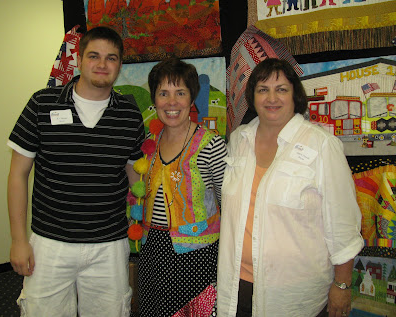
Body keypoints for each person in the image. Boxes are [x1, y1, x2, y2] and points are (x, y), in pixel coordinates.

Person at [7, 26, 145, 316]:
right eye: (94, 56)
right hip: (50, 244)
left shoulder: (130, 115)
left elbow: (136, 179)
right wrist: (19, 241)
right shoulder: (42, 103)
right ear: (79, 60)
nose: (102, 64)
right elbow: (18, 175)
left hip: (109, 245)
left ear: (120, 65)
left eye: (112, 58)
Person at [217, 58, 364, 317]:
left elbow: (343, 224)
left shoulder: (321, 145)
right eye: (263, 89)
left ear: (295, 94)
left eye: (281, 89)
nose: (271, 97)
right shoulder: (239, 139)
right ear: (252, 96)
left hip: (294, 295)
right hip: (237, 285)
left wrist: (341, 285)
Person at [138, 57, 227, 316]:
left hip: (197, 255)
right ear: (154, 101)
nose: (172, 102)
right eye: (163, 93)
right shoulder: (149, 144)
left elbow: (227, 203)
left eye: (180, 93)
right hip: (153, 250)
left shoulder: (211, 145)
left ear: (192, 98)